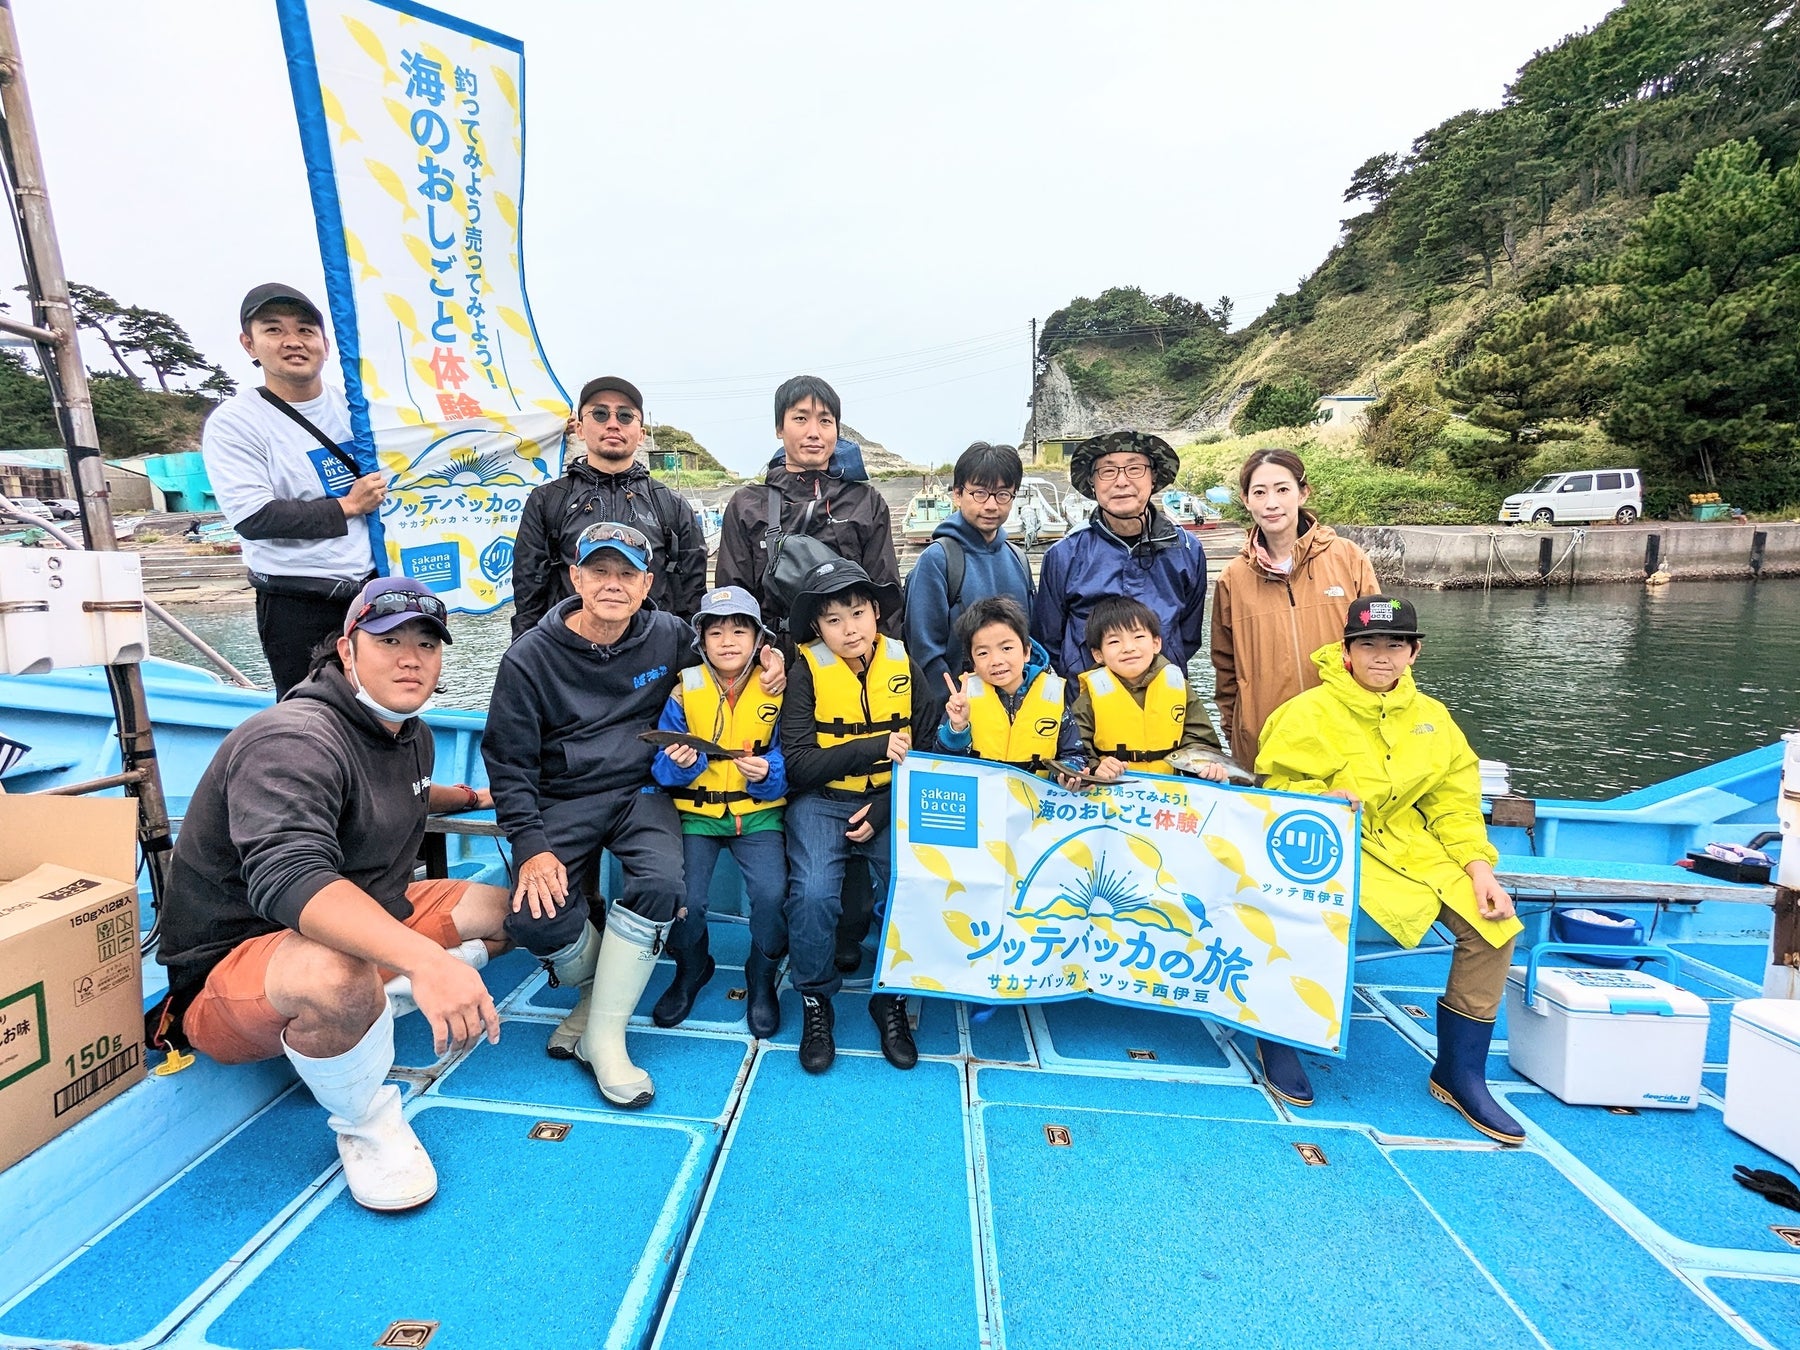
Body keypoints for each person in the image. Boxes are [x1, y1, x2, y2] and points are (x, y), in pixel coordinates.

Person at [154, 577, 505, 1212]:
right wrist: (427, 961)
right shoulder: (292, 739)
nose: (410, 658)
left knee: (508, 912)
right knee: (338, 972)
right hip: (243, 963)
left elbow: (413, 796)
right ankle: (367, 1121)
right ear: (346, 651)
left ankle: (373, 1005)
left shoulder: (410, 733)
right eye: (388, 640)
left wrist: (477, 798)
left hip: (374, 910)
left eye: (426, 644)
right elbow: (290, 876)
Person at [483, 523, 773, 1108]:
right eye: (599, 572)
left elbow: (729, 657)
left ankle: (606, 1036)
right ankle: (598, 994)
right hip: (562, 797)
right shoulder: (529, 658)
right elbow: (508, 763)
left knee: (665, 884)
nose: (612, 585)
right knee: (534, 918)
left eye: (626, 574)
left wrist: (775, 665)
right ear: (576, 578)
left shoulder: (668, 636)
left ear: (647, 583)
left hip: (643, 790)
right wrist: (531, 844)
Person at [1254, 595, 1525, 1144]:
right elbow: (1273, 789)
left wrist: (1479, 868)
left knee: (1493, 925)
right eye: (1368, 644)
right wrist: (1322, 798)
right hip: (1335, 847)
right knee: (1297, 911)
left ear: (1414, 651)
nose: (1382, 656)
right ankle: (1277, 1035)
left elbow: (1454, 802)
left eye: (1394, 645)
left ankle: (1460, 1072)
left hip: (1415, 850)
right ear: (1347, 652)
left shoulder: (1433, 718)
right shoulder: (1306, 712)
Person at [779, 557, 943, 1075]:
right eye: (832, 619)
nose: (848, 629)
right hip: (822, 800)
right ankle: (814, 998)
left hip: (892, 798)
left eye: (857, 612)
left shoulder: (904, 663)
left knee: (912, 882)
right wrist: (875, 747)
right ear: (817, 629)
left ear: (876, 612)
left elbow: (931, 745)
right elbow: (801, 765)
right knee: (810, 893)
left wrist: (886, 803)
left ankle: (889, 994)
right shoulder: (805, 671)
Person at [202, 283, 385, 697]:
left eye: (305, 330)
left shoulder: (357, 409)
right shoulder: (235, 422)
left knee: (387, 710)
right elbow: (254, 517)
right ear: (249, 344)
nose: (293, 341)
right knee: (312, 717)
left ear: (325, 343)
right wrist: (349, 505)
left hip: (372, 595)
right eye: (273, 330)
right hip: (298, 603)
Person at [648, 586, 789, 1034]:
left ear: (758, 639)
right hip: (695, 816)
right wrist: (677, 765)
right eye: (716, 632)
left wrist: (767, 773)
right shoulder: (682, 693)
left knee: (772, 894)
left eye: (739, 630)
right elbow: (660, 768)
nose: (727, 640)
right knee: (683, 898)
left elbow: (791, 758)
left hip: (759, 815)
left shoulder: (779, 690)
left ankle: (761, 975)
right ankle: (692, 968)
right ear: (701, 642)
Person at [1211, 447, 1379, 770]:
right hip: (1264, 748)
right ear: (1246, 500)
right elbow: (1225, 669)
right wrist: (1238, 734)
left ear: (1303, 493)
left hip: (1345, 742)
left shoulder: (1347, 558)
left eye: (1282, 489)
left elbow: (1380, 646)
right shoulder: (1233, 578)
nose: (1271, 503)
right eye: (1259, 492)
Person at [510, 376, 706, 636]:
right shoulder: (547, 502)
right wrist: (524, 660)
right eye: (600, 414)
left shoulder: (672, 506)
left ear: (641, 434)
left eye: (625, 416)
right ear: (579, 428)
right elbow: (528, 597)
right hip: (569, 657)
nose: (613, 424)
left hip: (655, 657)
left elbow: (692, 598)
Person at [714, 376, 901, 642]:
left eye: (825, 421)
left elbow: (886, 595)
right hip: (773, 660)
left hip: (850, 657)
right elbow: (733, 600)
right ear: (779, 428)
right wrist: (761, 659)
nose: (814, 432)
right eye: (801, 419)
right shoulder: (747, 505)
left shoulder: (865, 502)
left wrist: (876, 665)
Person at [1032, 430, 1207, 679]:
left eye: (1135, 469)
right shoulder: (1064, 554)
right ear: (1093, 482)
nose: (1122, 481)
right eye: (1108, 471)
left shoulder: (1187, 549)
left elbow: (1188, 636)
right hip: (1087, 707)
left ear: (1154, 476)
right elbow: (1048, 641)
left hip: (1165, 702)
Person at [903, 442, 1034, 690]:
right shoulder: (937, 560)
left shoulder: (1018, 558)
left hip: (1017, 709)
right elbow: (925, 652)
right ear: (957, 494)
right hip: (960, 712)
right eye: (980, 493)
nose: (992, 505)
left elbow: (1030, 638)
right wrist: (955, 711)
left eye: (1003, 494)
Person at [1069, 596, 1230, 783]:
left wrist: (1206, 769)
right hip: (1113, 792)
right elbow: (1075, 747)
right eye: (1114, 642)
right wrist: (1096, 767)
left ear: (1156, 643)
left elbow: (1201, 739)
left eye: (1138, 637)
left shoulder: (1178, 686)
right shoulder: (1091, 696)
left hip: (1169, 793)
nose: (1129, 648)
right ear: (1098, 654)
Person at [936, 595, 1081, 777]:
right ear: (972, 662)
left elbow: (1074, 754)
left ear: (1026, 651)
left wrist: (1067, 774)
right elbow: (942, 760)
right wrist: (957, 728)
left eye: (1006, 648)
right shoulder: (963, 699)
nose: (996, 661)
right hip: (983, 798)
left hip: (1035, 800)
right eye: (982, 653)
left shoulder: (1053, 693)